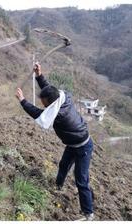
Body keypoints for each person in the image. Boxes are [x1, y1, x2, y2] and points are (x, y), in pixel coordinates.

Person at [15, 63, 94, 221]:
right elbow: (49, 90)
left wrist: (23, 100)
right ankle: (57, 186)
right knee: (63, 165)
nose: (43, 105)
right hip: (72, 144)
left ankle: (88, 213)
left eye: (44, 103)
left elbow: (38, 114)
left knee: (81, 179)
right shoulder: (63, 97)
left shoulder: (59, 114)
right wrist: (39, 75)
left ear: (50, 103)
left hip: (83, 146)